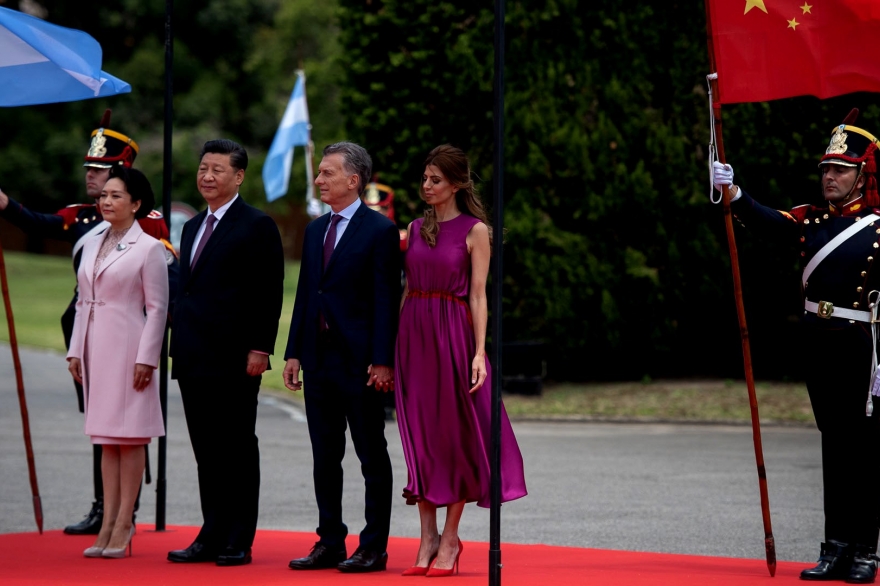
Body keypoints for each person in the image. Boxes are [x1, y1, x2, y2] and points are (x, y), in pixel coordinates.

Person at [714, 110, 880, 584]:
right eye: (826, 168)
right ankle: (835, 547)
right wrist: (734, 192)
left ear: (863, 175)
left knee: (866, 451)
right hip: (820, 345)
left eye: (841, 169)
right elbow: (769, 223)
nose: (829, 176)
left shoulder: (878, 226)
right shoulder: (811, 219)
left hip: (864, 347)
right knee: (834, 446)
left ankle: (865, 551)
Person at [0, 110, 177, 535]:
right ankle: (103, 507)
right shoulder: (81, 217)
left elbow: (161, 290)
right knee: (100, 425)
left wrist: (150, 350)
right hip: (88, 335)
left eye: (101, 170)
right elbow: (40, 224)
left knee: (127, 427)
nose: (91, 177)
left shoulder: (147, 223)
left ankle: (123, 513)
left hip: (128, 337)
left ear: (123, 174)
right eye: (90, 169)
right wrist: (6, 205)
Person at [394, 144, 527, 577]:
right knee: (421, 437)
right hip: (413, 337)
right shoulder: (414, 228)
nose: (426, 186)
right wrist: (395, 348)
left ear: (456, 184)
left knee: (453, 438)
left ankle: (450, 538)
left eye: (435, 180)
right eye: (424, 178)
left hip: (452, 336)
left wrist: (478, 352)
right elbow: (405, 289)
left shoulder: (476, 231)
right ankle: (427, 537)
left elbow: (478, 295)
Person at [283, 141, 400, 573]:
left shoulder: (379, 230)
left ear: (353, 180)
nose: (319, 180)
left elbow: (386, 299)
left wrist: (382, 359)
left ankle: (373, 547)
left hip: (361, 362)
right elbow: (306, 294)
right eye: (319, 173)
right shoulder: (316, 230)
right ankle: (330, 541)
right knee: (324, 455)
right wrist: (294, 352)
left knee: (371, 454)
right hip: (318, 358)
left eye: (327, 173)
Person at [167, 139, 284, 567]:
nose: (208, 176)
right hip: (192, 353)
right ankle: (211, 531)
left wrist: (260, 348)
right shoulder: (192, 226)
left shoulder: (257, 225)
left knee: (236, 447)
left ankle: (238, 537)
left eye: (218, 170)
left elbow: (268, 292)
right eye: (203, 168)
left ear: (238, 176)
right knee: (206, 449)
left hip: (235, 356)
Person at [66, 167, 169, 558]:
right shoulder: (93, 241)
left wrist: (147, 358)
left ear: (136, 203)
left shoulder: (149, 248)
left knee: (131, 436)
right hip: (95, 347)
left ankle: (125, 522)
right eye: (104, 195)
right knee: (106, 439)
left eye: (116, 196)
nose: (106, 202)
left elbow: (157, 309)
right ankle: (107, 522)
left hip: (130, 348)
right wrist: (75, 350)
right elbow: (82, 300)